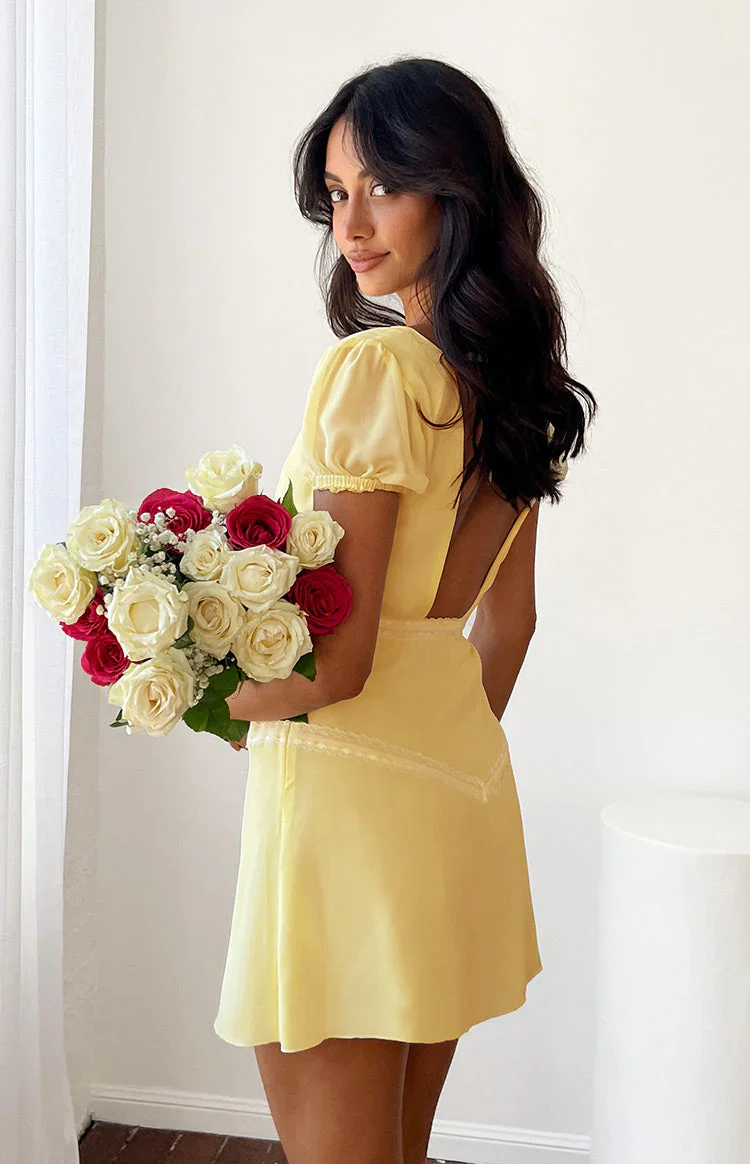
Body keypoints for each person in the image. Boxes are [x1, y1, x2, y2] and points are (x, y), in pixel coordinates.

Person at [215, 55, 597, 1164]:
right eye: (337, 194)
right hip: (452, 800)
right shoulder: (514, 387)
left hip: (344, 821)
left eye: (384, 185)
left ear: (456, 188)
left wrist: (205, 696)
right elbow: (508, 625)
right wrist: (431, 761)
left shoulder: (376, 371)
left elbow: (335, 665)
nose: (353, 224)